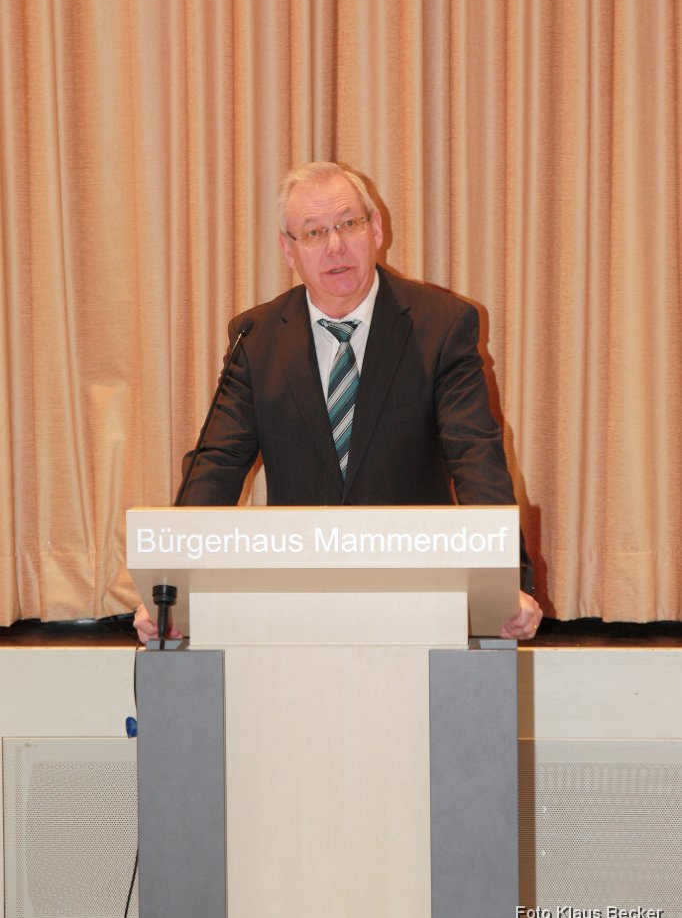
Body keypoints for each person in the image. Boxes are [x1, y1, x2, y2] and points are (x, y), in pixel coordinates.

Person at [134, 162, 542, 642]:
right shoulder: (257, 339)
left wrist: (507, 586)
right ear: (288, 249)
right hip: (294, 603)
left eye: (348, 224)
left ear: (376, 229)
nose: (334, 246)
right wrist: (170, 589)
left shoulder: (441, 326)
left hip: (416, 596)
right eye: (313, 232)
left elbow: (476, 457)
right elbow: (216, 465)